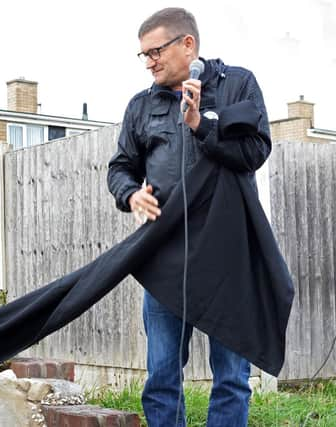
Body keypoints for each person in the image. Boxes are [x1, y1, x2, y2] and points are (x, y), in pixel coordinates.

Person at [107, 7, 272, 427]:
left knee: (232, 377)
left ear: (187, 44)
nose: (148, 62)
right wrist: (130, 195)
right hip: (166, 257)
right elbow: (120, 167)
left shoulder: (238, 85)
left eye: (154, 51)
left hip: (228, 258)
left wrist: (201, 126)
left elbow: (255, 153)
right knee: (162, 376)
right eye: (142, 55)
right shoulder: (141, 106)